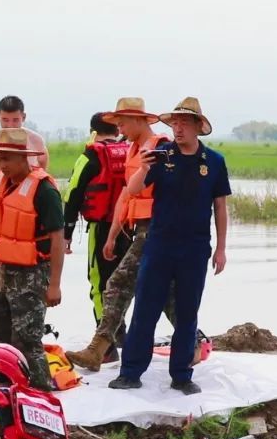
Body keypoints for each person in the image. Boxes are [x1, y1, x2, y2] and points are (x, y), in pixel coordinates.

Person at [109, 98, 230, 395]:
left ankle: (181, 375)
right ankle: (131, 372)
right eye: (175, 123)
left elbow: (220, 207)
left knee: (188, 313)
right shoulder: (161, 156)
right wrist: (143, 167)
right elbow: (133, 190)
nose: (178, 128)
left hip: (195, 248)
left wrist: (221, 249)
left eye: (184, 123)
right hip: (159, 245)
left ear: (198, 127)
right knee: (145, 309)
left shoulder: (214, 162)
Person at [66, 98, 176, 372]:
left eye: (123, 123)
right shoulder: (132, 151)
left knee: (117, 283)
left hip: (158, 230)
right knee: (162, 290)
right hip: (139, 229)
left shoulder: (163, 149)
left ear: (139, 120)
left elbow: (178, 192)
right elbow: (126, 195)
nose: (120, 129)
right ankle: (194, 340)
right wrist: (113, 234)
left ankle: (99, 348)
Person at [0, 128, 65, 390]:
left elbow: (57, 238)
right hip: (4, 270)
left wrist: (54, 284)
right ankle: (4, 384)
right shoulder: (2, 182)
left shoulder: (44, 190)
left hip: (33, 273)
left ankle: (40, 391)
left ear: (23, 158)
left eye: (7, 159)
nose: (2, 164)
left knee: (28, 339)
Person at [0, 96, 49, 327]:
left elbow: (42, 176)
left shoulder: (36, 142)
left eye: (15, 120)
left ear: (23, 117)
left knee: (28, 268)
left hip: (27, 209)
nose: (10, 125)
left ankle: (25, 325)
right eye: (5, 120)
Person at [63, 113, 133, 362]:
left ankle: (106, 347)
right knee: (124, 285)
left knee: (100, 286)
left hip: (102, 229)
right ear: (117, 130)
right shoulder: (130, 152)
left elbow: (73, 193)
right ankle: (121, 337)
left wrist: (67, 232)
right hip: (130, 227)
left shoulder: (90, 156)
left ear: (93, 130)